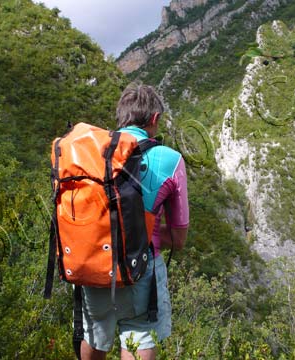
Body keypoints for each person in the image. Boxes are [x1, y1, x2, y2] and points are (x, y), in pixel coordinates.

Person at [80, 83, 189, 360]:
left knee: (93, 335)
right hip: (142, 270)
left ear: (120, 117)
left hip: (93, 264)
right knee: (139, 336)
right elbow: (178, 239)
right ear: (154, 120)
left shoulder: (90, 154)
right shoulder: (171, 160)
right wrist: (144, 230)